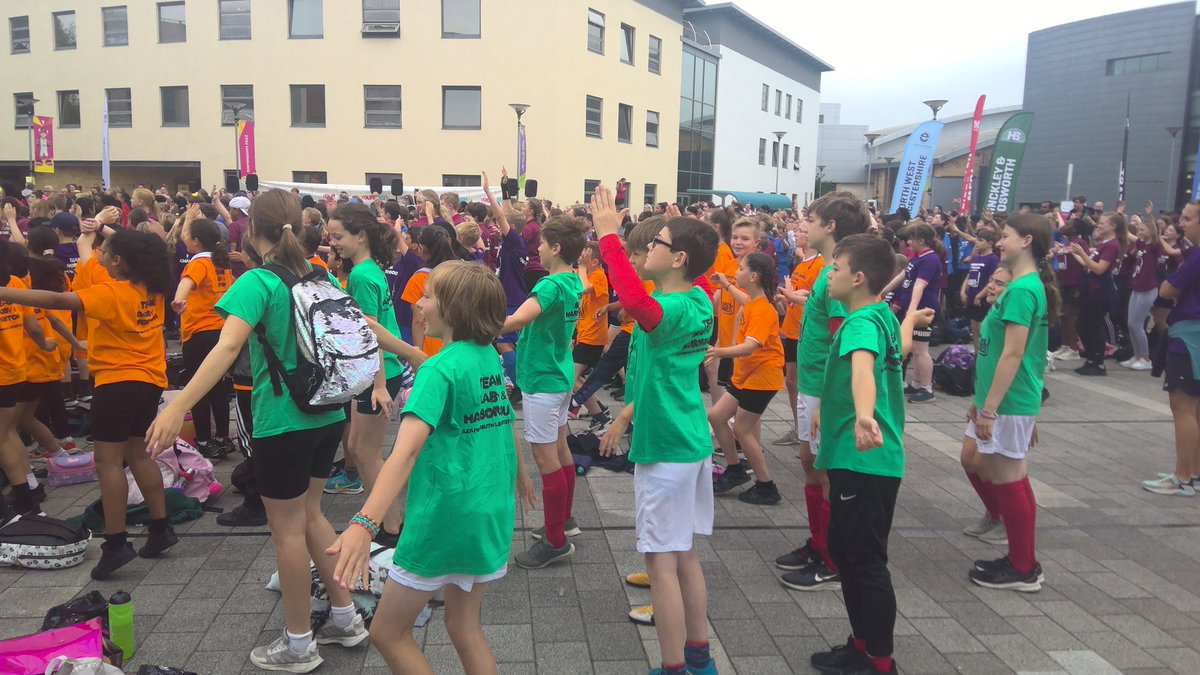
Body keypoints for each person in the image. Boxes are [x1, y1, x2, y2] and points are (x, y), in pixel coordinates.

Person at [145, 191, 370, 671]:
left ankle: (298, 643)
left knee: (287, 532)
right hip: (327, 414)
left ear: (251, 231)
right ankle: (346, 620)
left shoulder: (258, 283)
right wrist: (411, 355)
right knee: (311, 517)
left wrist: (177, 405)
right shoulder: (321, 274)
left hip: (282, 422)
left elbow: (225, 351)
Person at [325, 261, 533, 675]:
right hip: (488, 509)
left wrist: (364, 523)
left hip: (444, 517)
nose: (419, 304)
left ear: (453, 310)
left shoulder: (439, 369)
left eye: (428, 295)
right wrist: (522, 475)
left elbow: (403, 454)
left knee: (387, 632)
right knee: (463, 626)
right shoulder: (487, 355)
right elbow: (503, 420)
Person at [592, 185, 720, 675]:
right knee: (683, 555)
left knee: (662, 565)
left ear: (679, 258)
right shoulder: (695, 299)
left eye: (656, 243)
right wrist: (624, 415)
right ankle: (699, 658)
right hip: (685, 441)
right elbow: (645, 311)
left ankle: (674, 667)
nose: (645, 250)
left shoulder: (674, 309)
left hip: (668, 449)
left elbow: (639, 307)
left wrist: (607, 239)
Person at [0, 227, 177, 580]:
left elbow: (57, 301)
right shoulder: (151, 288)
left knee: (108, 463)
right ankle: (161, 528)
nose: (99, 256)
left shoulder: (110, 292)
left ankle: (115, 542)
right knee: (139, 455)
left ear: (118, 261)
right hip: (149, 380)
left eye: (105, 251)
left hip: (116, 384)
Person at [809, 233, 930, 675]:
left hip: (866, 457)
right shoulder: (879, 313)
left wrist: (862, 415)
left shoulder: (861, 325)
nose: (829, 273)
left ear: (857, 278)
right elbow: (887, 349)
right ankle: (861, 645)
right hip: (861, 457)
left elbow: (862, 367)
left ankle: (879, 662)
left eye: (835, 268)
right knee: (848, 550)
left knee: (865, 561)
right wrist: (912, 320)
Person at [774, 192, 870, 592]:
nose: (802, 226)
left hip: (821, 387)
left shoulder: (836, 275)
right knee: (810, 462)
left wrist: (827, 400)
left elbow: (840, 342)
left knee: (823, 469)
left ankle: (832, 559)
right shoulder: (825, 271)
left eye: (809, 219)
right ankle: (819, 543)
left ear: (830, 227)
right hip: (814, 384)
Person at [964, 214, 1056, 593]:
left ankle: (1023, 567)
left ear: (1027, 240)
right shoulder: (1025, 286)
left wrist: (991, 408)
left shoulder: (1021, 290)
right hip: (1009, 399)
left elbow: (1015, 354)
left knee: (1009, 477)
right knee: (1011, 476)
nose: (999, 242)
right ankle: (1023, 560)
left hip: (1008, 400)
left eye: (1005, 236)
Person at [327, 202, 420, 548]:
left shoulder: (363, 276)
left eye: (338, 237)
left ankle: (391, 525)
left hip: (378, 373)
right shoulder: (368, 270)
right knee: (355, 446)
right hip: (370, 372)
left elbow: (372, 331)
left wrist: (379, 384)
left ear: (361, 236)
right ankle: (382, 517)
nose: (332, 243)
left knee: (367, 454)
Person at [503, 215, 589, 569]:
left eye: (541, 244)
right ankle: (564, 521)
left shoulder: (550, 287)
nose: (536, 249)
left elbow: (517, 320)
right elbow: (582, 278)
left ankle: (555, 541)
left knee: (544, 458)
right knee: (560, 447)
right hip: (560, 374)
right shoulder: (572, 281)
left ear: (555, 248)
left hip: (542, 380)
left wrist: (476, 321)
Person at [708, 252, 785, 504]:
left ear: (753, 276)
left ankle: (766, 486)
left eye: (740, 269)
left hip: (761, 379)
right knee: (716, 417)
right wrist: (726, 283)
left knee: (742, 429)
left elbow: (751, 346)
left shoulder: (763, 310)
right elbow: (743, 298)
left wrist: (718, 351)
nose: (736, 271)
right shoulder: (753, 300)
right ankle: (734, 469)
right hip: (745, 376)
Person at [1143, 201, 1200, 496]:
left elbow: (1167, 290)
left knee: (1183, 407)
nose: (1183, 224)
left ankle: (1182, 477)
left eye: (1189, 219)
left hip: (1189, 335)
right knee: (1195, 407)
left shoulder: (1197, 256)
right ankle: (1194, 472)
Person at [172, 212, 235, 459]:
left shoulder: (198, 263)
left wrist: (178, 300)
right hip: (220, 330)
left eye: (187, 236)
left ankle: (204, 440)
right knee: (217, 386)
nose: (184, 239)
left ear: (196, 241)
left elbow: (187, 283)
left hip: (198, 331)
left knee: (197, 388)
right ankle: (222, 436)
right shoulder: (221, 262)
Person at [774, 225, 822, 446]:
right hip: (792, 328)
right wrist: (785, 298)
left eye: (802, 230)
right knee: (792, 381)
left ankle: (809, 432)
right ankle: (799, 427)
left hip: (806, 329)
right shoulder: (802, 262)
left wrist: (793, 296)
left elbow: (816, 298)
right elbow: (795, 295)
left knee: (803, 383)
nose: (797, 234)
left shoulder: (821, 264)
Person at [1069, 212, 1125, 376]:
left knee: (1093, 326)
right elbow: (1088, 265)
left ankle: (1098, 361)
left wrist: (1082, 254)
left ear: (1113, 226)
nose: (1099, 226)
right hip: (1089, 289)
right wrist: (1074, 252)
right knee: (1082, 324)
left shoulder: (1112, 245)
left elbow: (1099, 269)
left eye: (1102, 223)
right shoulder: (1102, 244)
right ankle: (1091, 358)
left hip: (1100, 291)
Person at [893, 223, 943, 402]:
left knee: (921, 349)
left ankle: (927, 388)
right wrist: (883, 291)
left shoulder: (930, 259)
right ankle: (916, 383)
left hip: (925, 310)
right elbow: (903, 277)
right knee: (914, 348)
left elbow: (920, 285)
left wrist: (912, 310)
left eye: (911, 239)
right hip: (915, 309)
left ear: (921, 240)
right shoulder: (916, 257)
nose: (908, 242)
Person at [570, 242, 611, 420]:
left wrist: (581, 266)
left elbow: (584, 288)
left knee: (571, 378)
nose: (580, 260)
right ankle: (599, 410)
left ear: (594, 262)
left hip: (593, 337)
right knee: (573, 378)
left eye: (584, 258)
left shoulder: (599, 276)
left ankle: (599, 416)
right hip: (585, 335)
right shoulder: (586, 274)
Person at [1120, 214, 1162, 371]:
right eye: (1139, 229)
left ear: (1151, 231)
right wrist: (1121, 219)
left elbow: (1156, 236)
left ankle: (1145, 357)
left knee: (1137, 324)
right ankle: (1137, 355)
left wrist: (1149, 216)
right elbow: (1127, 234)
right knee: (1131, 323)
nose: (1139, 232)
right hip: (1137, 287)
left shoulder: (1154, 246)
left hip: (1148, 288)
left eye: (1143, 229)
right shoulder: (1142, 244)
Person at [961, 229, 1000, 348]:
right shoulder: (976, 258)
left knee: (983, 328)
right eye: (977, 240)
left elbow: (992, 280)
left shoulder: (993, 259)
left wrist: (980, 295)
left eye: (981, 240)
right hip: (971, 297)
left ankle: (984, 354)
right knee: (974, 329)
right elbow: (969, 275)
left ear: (990, 243)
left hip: (983, 300)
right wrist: (963, 290)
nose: (977, 242)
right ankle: (977, 354)